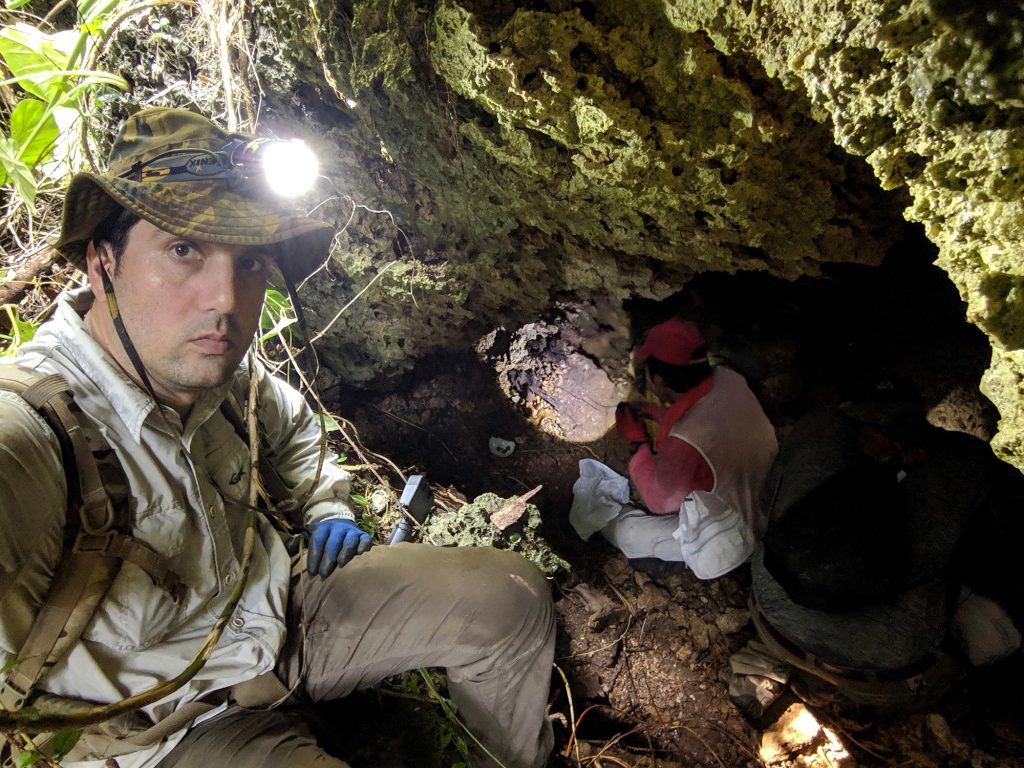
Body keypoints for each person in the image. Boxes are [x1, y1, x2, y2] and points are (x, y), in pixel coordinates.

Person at [0, 108, 555, 768]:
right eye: (185, 250)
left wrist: (327, 504)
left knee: (508, 600)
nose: (227, 300)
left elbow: (296, 433)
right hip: (170, 731)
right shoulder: (34, 427)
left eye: (252, 261)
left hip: (281, 614)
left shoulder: (213, 367)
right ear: (103, 262)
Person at [731, 396, 1024, 717]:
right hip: (889, 677)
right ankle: (857, 700)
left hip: (773, 623)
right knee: (994, 626)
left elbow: (766, 499)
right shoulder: (962, 463)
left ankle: (786, 668)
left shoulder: (818, 435)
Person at [570, 318, 778, 579]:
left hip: (742, 531)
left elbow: (660, 500)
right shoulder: (730, 378)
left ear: (659, 380)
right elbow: (711, 417)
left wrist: (637, 442)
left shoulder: (686, 441)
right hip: (771, 493)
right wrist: (659, 414)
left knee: (628, 534)